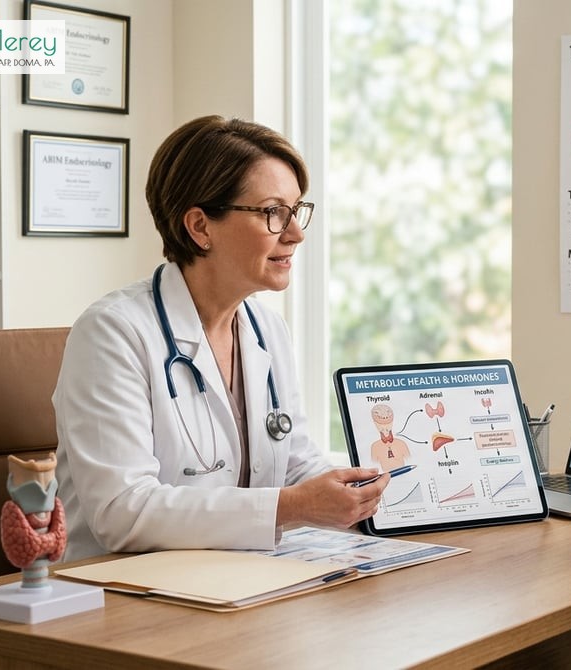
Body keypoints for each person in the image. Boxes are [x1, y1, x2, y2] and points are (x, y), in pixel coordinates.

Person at [53, 116, 389, 561]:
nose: (296, 233)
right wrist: (292, 506)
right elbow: (122, 511)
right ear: (200, 227)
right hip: (126, 587)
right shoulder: (112, 333)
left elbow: (295, 463)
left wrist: (365, 495)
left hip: (238, 577)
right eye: (273, 213)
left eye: (296, 210)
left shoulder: (266, 329)